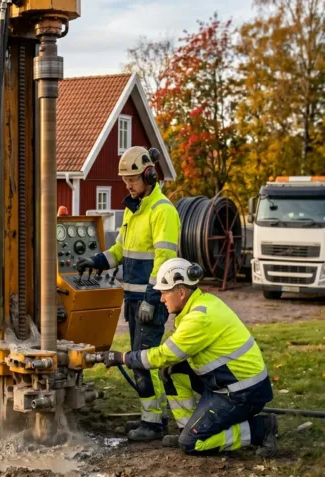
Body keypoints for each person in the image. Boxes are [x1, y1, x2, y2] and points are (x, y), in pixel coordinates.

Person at [101, 258, 278, 457]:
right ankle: (186, 428)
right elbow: (172, 357)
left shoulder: (198, 319)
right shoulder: (202, 303)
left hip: (242, 394)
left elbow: (163, 355)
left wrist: (123, 357)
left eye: (164, 293)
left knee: (193, 444)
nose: (161, 299)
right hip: (229, 384)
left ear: (181, 292)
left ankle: (260, 429)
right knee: (172, 371)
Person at [75, 146, 181, 442]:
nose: (128, 186)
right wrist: (96, 261)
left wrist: (151, 299)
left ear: (149, 175)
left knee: (142, 360)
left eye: (132, 180)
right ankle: (153, 417)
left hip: (151, 300)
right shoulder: (133, 210)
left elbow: (163, 260)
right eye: (124, 180)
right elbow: (120, 250)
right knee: (138, 359)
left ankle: (153, 424)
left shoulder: (162, 211)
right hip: (134, 300)